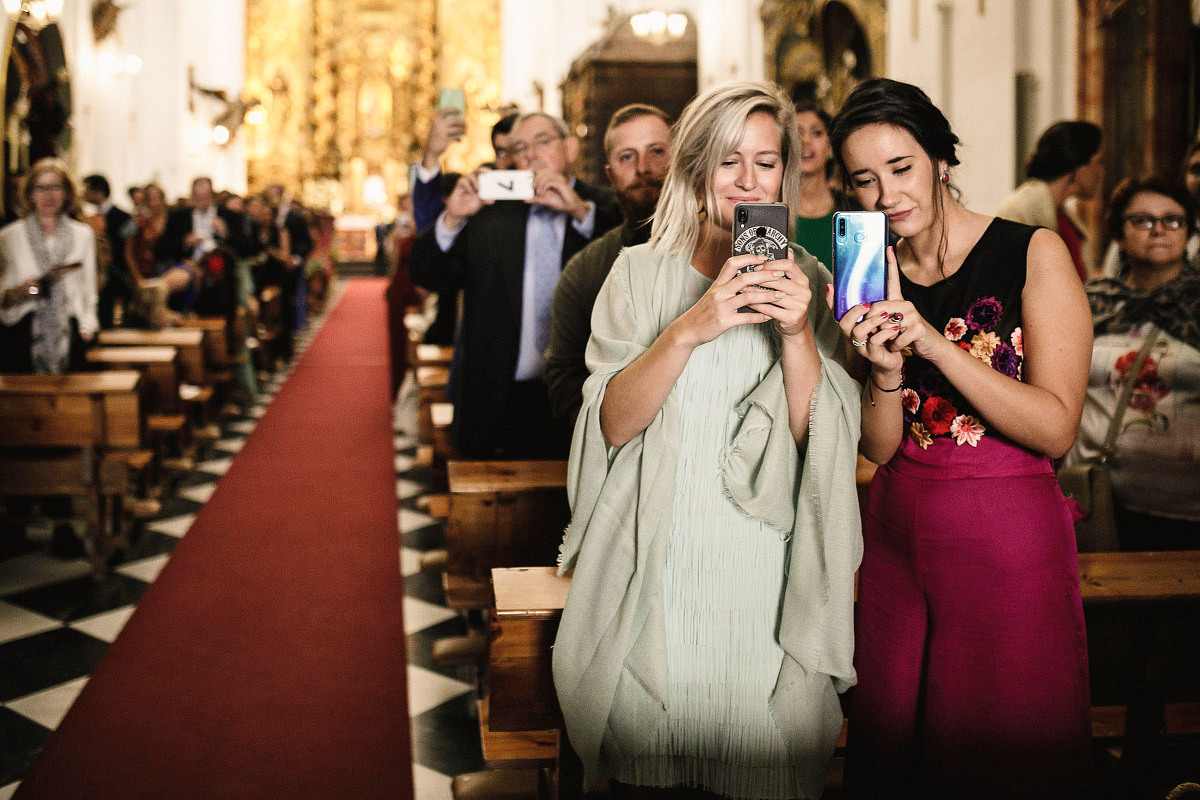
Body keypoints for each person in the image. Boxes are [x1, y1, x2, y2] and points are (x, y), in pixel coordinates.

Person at [553, 81, 862, 799]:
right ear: (695, 170)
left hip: (761, 573)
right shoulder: (636, 273)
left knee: (756, 759)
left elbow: (818, 442)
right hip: (660, 560)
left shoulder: (808, 279)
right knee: (649, 760)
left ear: (786, 172)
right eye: (728, 161)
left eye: (765, 161)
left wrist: (793, 335)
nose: (748, 180)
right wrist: (694, 324)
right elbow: (610, 422)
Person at [829, 78, 1093, 797]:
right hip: (894, 538)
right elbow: (880, 447)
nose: (884, 196)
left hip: (1006, 541)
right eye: (864, 180)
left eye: (901, 168)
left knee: (997, 750)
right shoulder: (872, 273)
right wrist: (884, 368)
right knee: (894, 746)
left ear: (941, 158)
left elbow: (1056, 424)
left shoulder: (1032, 253)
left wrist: (938, 348)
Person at [410, 111, 621, 459]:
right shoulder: (489, 209)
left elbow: (631, 254)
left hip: (584, 397)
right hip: (497, 397)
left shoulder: (604, 207)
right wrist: (453, 218)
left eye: (542, 142)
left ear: (569, 148)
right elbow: (428, 274)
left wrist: (580, 214)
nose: (531, 155)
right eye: (520, 148)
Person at [1065, 177, 1200, 550]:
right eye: (1142, 220)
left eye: (1172, 220)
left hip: (1187, 505)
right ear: (1119, 234)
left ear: (1188, 232)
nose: (1158, 229)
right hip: (1093, 494)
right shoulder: (1090, 302)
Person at [543, 103, 672, 422]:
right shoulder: (585, 270)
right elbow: (565, 380)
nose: (644, 168)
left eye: (657, 151)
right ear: (610, 175)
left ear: (681, 158)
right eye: (627, 157)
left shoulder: (717, 250)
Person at [0, 158, 98, 373]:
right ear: (30, 194)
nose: (48, 195)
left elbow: (89, 291)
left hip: (71, 330)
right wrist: (20, 291)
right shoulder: (9, 237)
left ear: (67, 193)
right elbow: (3, 297)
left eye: (55, 187)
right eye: (41, 188)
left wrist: (87, 327)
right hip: (22, 330)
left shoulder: (82, 234)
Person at [997, 120, 1103, 282]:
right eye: (1099, 162)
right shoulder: (1020, 209)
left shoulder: (1064, 215)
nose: (1101, 173)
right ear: (1079, 165)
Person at [791, 102, 845, 271]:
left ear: (830, 143)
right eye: (797, 133)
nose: (806, 141)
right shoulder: (772, 211)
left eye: (816, 133)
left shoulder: (853, 209)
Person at [83, 174, 132, 328]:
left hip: (117, 270)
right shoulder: (89, 218)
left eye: (86, 189)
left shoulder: (123, 216)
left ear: (98, 192)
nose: (83, 194)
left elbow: (129, 249)